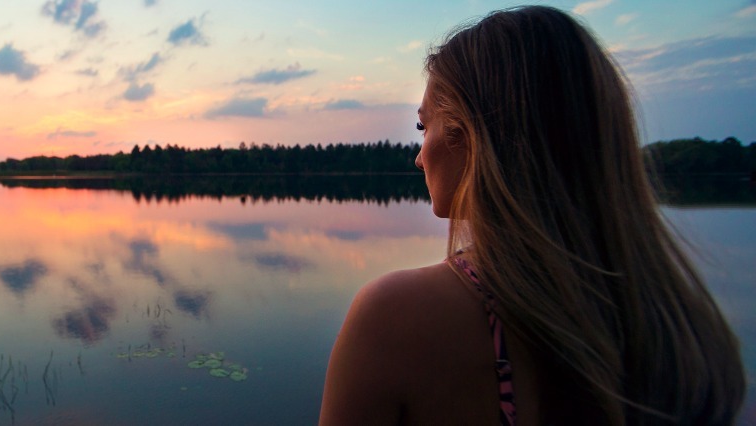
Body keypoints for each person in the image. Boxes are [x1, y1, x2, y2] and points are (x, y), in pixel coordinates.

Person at [319, 5, 745, 425]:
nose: (418, 157)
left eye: (422, 127)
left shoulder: (395, 316)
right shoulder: (686, 328)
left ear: (469, 136)